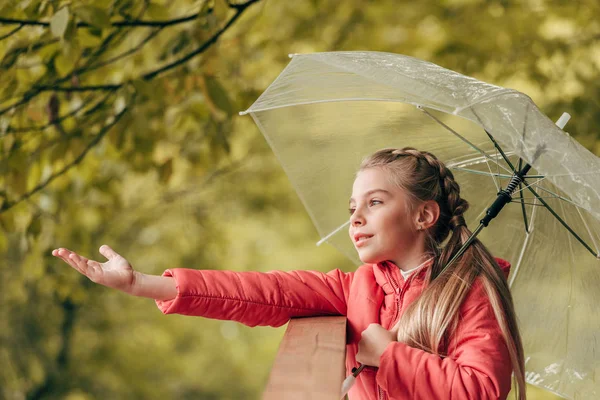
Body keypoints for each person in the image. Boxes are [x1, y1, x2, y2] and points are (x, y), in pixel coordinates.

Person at [52, 147, 526, 400]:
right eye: (352, 207)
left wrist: (390, 354)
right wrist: (141, 283)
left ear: (425, 216)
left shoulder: (471, 291)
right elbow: (261, 294)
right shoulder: (355, 287)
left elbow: (480, 390)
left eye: (375, 203)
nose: (355, 218)